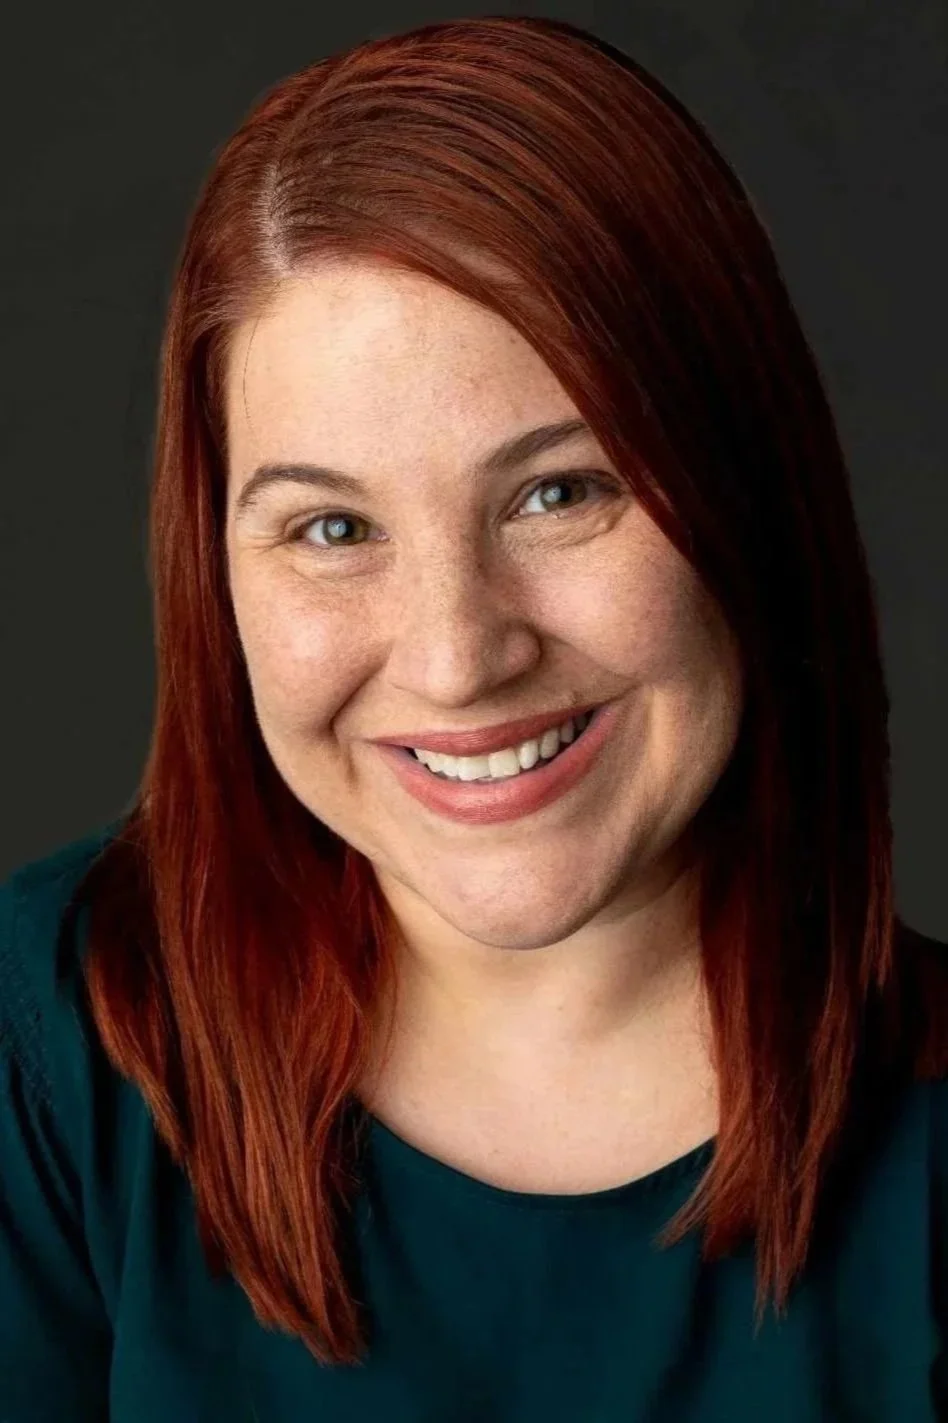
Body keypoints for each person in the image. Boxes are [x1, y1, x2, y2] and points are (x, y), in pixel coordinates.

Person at [1, 14, 946, 1421]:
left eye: (560, 491)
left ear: (745, 489)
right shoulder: (46, 1035)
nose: (457, 659)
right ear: (214, 568)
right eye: (331, 525)